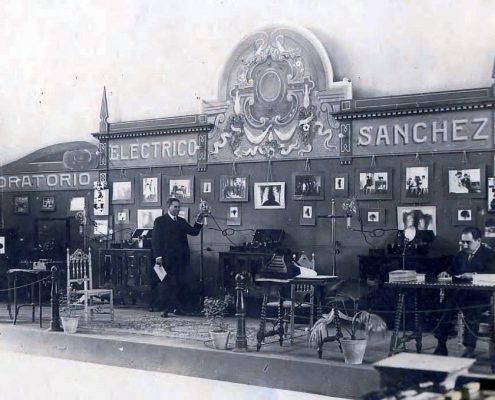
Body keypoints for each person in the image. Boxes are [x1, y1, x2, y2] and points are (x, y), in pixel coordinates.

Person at [434, 226, 495, 357]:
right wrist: (446, 273)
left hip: (481, 296)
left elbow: (492, 275)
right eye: (463, 242)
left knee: (472, 310)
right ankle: (441, 344)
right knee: (445, 307)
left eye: (468, 242)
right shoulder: (460, 255)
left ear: (478, 240)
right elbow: (452, 270)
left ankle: (469, 349)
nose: (465, 245)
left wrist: (473, 275)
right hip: (460, 295)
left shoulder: (490, 255)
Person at [151, 197, 203, 317]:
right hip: (167, 259)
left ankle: (178, 308)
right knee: (169, 285)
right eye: (175, 207)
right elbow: (155, 241)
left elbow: (194, 232)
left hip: (182, 259)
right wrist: (158, 256)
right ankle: (166, 309)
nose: (178, 209)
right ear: (168, 207)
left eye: (179, 207)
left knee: (181, 283)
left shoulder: (181, 221)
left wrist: (199, 220)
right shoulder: (160, 221)